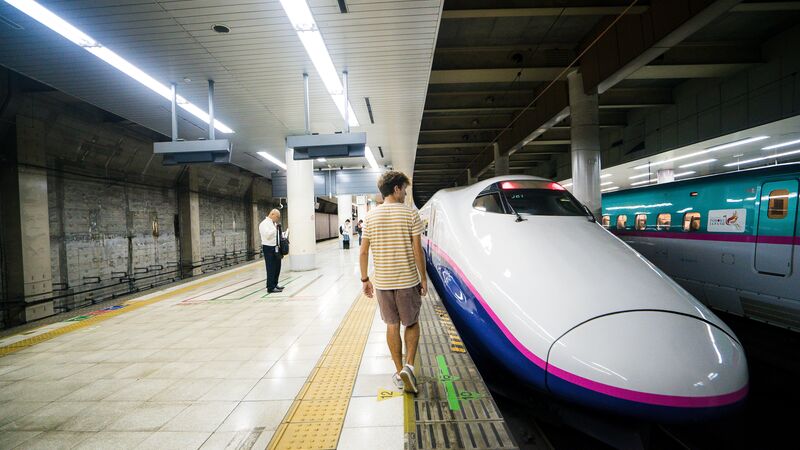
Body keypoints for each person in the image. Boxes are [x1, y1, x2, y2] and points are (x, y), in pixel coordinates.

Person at [359, 171, 427, 394]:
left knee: (391, 325)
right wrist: (423, 278)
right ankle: (409, 366)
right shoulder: (410, 215)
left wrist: (365, 279)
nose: (406, 193)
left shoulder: (370, 217)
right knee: (412, 323)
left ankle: (399, 372)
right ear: (396, 188)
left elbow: (363, 252)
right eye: (404, 189)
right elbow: (417, 250)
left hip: (383, 282)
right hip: (407, 281)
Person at [259, 209, 285, 293]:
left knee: (277, 267)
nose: (277, 218)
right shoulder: (264, 224)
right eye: (277, 217)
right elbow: (267, 235)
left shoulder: (273, 224)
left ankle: (275, 284)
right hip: (268, 248)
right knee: (271, 268)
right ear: (272, 214)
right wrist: (275, 229)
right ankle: (270, 287)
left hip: (276, 247)